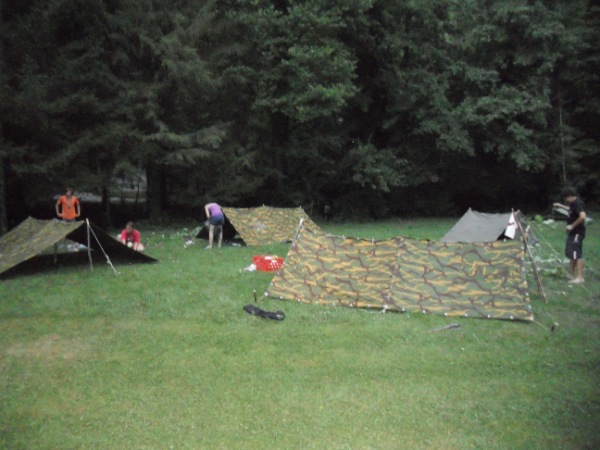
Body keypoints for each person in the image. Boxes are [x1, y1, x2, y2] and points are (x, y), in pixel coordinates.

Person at [553, 186, 586, 284]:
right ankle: (571, 274)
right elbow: (571, 210)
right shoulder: (573, 204)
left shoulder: (578, 203)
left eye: (566, 198)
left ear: (570, 196)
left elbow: (582, 216)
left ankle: (580, 277)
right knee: (571, 253)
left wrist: (572, 226)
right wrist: (560, 206)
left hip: (577, 232)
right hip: (572, 233)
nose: (565, 200)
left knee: (577, 253)